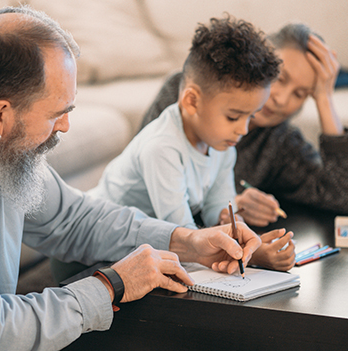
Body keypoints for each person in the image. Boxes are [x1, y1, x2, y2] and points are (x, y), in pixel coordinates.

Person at [0, 6, 262, 351]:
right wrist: (110, 284)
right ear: (0, 116)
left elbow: (74, 219)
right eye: (56, 113)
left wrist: (188, 241)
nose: (66, 125)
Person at [88, 16, 294, 272]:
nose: (243, 129)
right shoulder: (162, 148)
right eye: (233, 116)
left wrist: (242, 236)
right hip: (90, 254)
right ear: (192, 101)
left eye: (250, 116)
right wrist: (252, 255)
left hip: (140, 247)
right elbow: (183, 238)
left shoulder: (221, 144)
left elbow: (218, 208)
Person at [139, 23, 348, 227]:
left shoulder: (280, 142)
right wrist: (227, 205)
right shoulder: (185, 91)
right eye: (279, 78)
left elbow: (347, 198)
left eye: (301, 94)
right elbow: (151, 185)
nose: (281, 99)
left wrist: (325, 99)